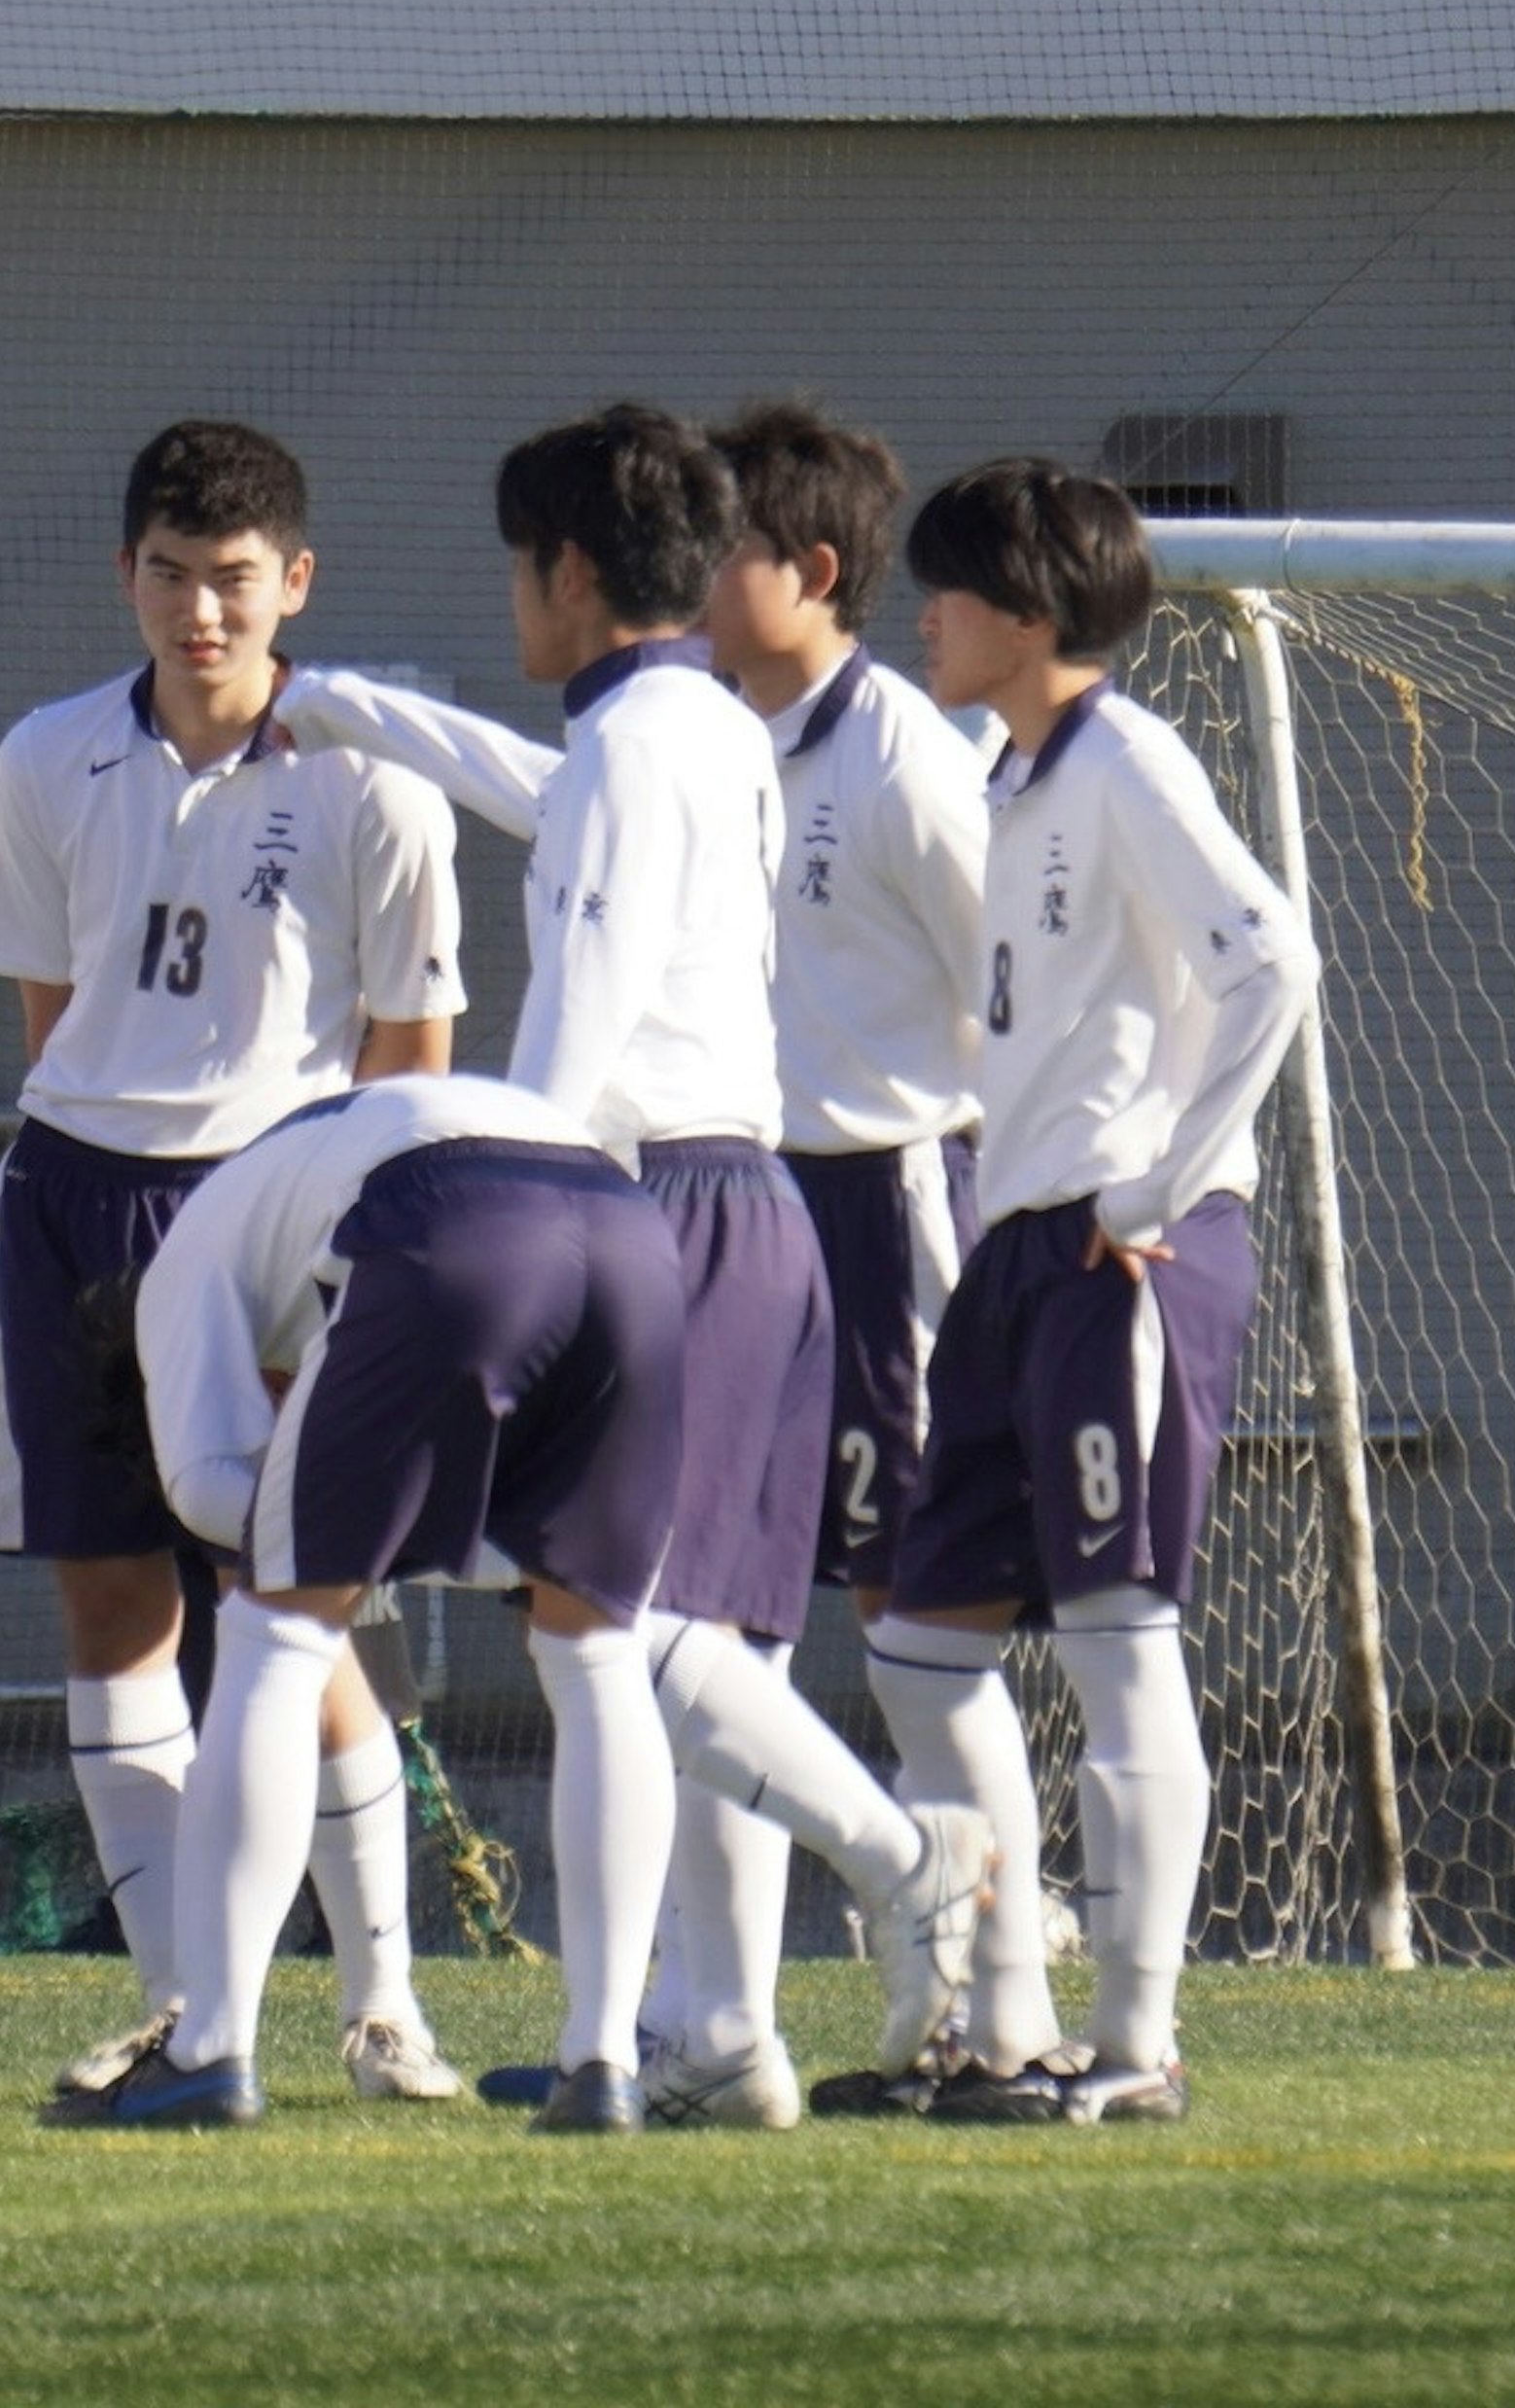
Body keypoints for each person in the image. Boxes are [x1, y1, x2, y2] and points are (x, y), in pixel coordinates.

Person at [281, 406, 989, 2128]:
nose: (511, 602)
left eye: (516, 570)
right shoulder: (705, 728)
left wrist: (493, 1184)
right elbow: (570, 818)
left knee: (610, 1618)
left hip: (655, 1198)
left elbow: (589, 991)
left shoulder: (659, 743)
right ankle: (725, 2031)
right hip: (745, 1201)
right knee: (696, 1632)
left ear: (568, 570)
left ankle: (907, 1864)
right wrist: (364, 704)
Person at [0, 419, 468, 2104]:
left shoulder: (374, 777)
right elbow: (56, 1025)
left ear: (295, 584)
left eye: (235, 580)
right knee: (114, 1603)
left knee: (297, 1606)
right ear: (129, 576)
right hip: (77, 1202)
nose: (202, 613)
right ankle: (192, 2006)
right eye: (172, 576)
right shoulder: (43, 758)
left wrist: (343, 1247)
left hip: (283, 1209)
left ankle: (386, 1999)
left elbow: (415, 1048)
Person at [859, 461, 1314, 2127]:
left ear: (1030, 615)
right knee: (917, 1652)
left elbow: (1273, 959)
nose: (927, 617)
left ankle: (1137, 2051)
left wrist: (1160, 1183)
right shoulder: (1007, 780)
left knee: (1124, 1650)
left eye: (951, 590)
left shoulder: (1128, 760)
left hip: (1122, 1260)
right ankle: (1003, 2014)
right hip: (1014, 1251)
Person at [65, 1073, 684, 2129]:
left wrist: (343, 1533)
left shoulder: (178, 1274)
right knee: (595, 1656)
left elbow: (209, 1492)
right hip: (633, 1230)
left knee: (274, 1632)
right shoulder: (283, 1206)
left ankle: (208, 2046)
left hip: (443, 1211)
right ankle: (605, 2060)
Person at [705, 407, 988, 1620]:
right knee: (722, 1574)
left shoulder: (907, 761)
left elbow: (1022, 993)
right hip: (742, 1197)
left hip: (890, 1198)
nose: (687, 578)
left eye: (718, 546)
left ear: (813, 574)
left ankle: (955, 1822)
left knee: (904, 1581)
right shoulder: (700, 737)